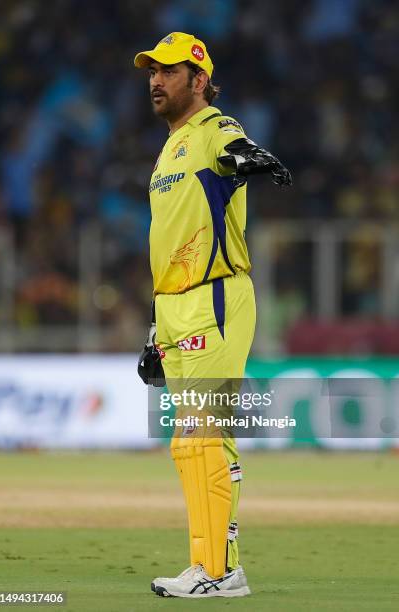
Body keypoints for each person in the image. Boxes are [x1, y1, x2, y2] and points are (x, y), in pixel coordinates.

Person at [135, 32, 291, 598]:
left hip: (215, 297)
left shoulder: (211, 129)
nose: (155, 80)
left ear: (198, 80)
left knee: (203, 437)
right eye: (152, 71)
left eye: (168, 72)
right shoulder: (170, 146)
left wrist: (247, 157)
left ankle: (219, 573)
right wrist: (157, 323)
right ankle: (213, 566)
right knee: (191, 441)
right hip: (175, 305)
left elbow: (235, 147)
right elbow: (171, 238)